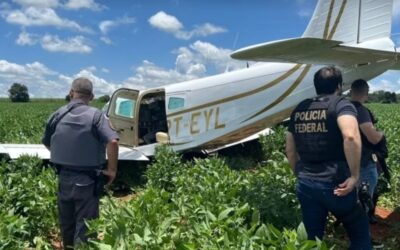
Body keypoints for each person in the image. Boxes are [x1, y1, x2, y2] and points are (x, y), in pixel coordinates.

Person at [285, 66, 371, 249]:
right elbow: (350, 136)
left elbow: (290, 149)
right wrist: (355, 176)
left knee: (313, 240)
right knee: (359, 231)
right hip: (336, 183)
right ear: (339, 86)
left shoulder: (300, 109)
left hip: (306, 183)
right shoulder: (341, 104)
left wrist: (297, 172)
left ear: (316, 86)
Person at [42, 77, 119, 249]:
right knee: (86, 228)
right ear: (91, 97)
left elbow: (48, 143)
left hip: (63, 178)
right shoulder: (97, 116)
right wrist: (112, 170)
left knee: (67, 224)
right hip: (88, 180)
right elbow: (112, 142)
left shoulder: (57, 114)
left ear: (71, 93)